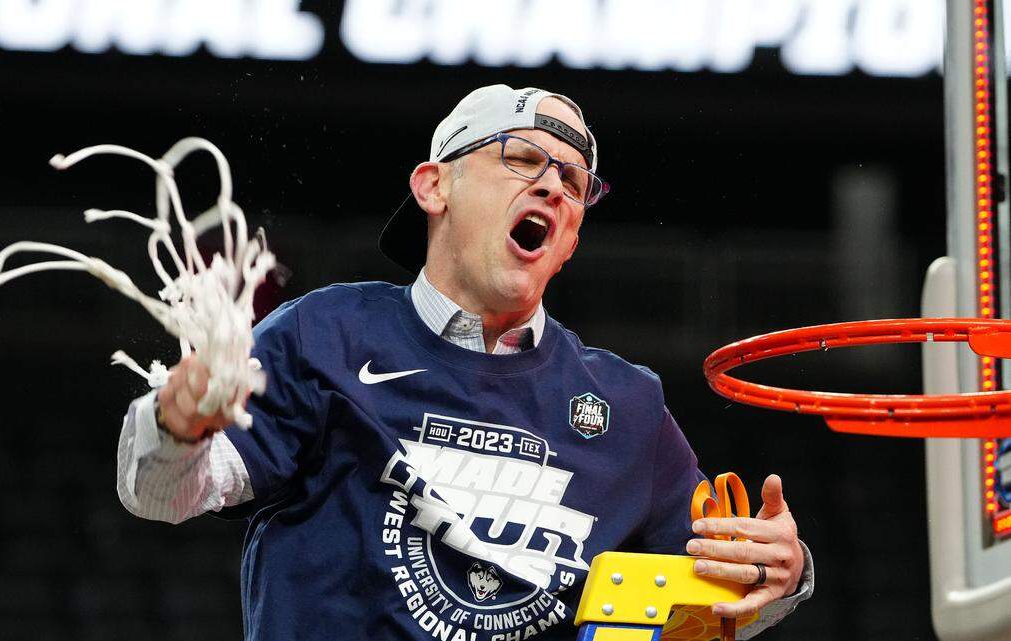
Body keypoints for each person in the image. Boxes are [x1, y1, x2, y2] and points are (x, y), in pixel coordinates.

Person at [116, 84, 814, 641]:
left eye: (574, 182)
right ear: (433, 186)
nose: (553, 188)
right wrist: (176, 423)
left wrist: (781, 572)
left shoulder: (627, 405)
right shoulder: (323, 333)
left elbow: (708, 600)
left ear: (569, 240)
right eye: (520, 158)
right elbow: (164, 495)